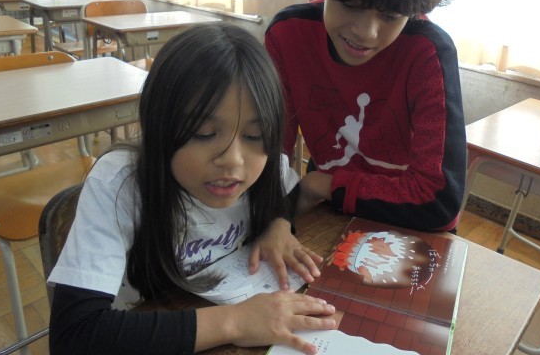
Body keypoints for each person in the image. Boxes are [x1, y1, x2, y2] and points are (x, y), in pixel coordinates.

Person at [48, 23, 336, 355]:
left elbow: (286, 194)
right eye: (203, 133)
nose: (233, 160)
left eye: (254, 136)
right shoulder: (121, 184)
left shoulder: (266, 166)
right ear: (159, 125)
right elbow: (74, 335)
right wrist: (235, 322)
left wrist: (279, 224)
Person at [265, 0, 466, 232]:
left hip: (408, 223)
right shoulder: (289, 34)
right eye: (351, 4)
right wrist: (276, 219)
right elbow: (270, 156)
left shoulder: (428, 53)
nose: (367, 32)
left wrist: (324, 184)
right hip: (327, 210)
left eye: (390, 15)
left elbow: (440, 202)